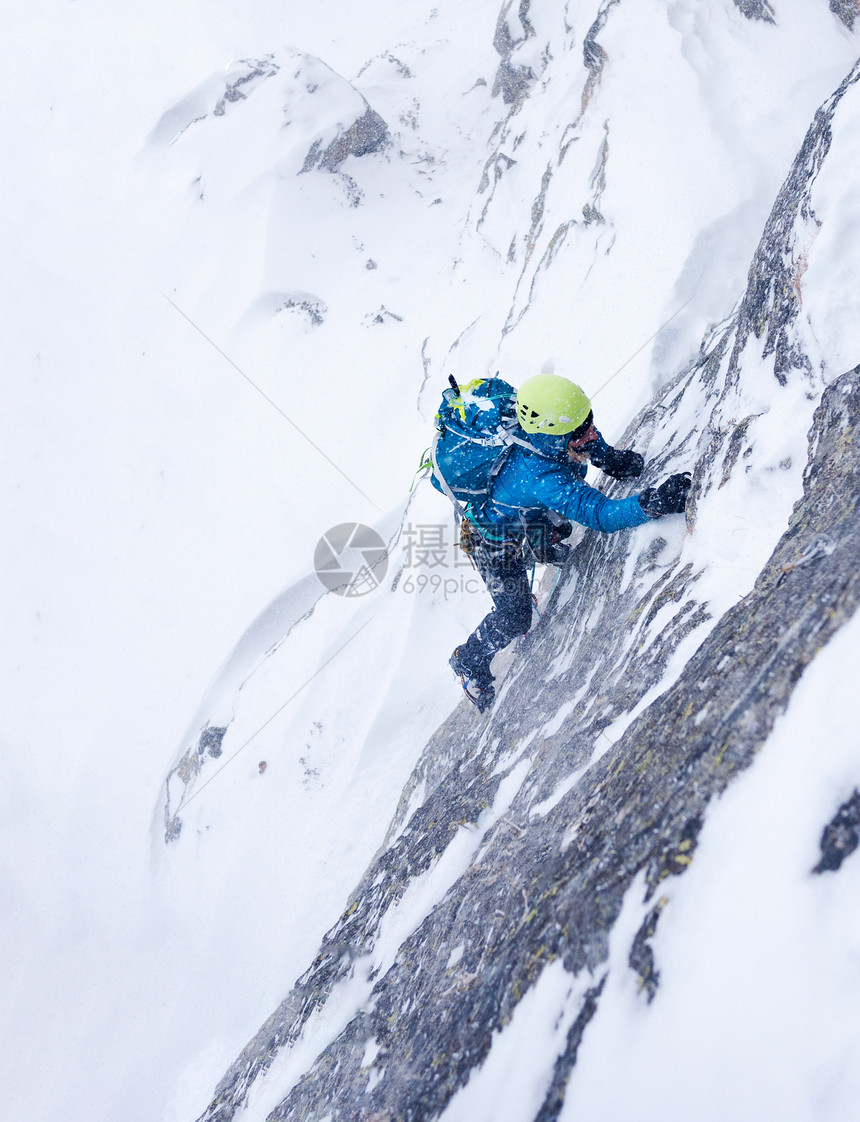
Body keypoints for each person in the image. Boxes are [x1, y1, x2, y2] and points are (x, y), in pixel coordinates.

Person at [446, 372, 690, 711]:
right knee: (516, 618)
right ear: (551, 438)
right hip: (493, 543)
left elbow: (587, 440)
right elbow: (601, 515)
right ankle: (468, 660)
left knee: (557, 533)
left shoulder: (556, 431)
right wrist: (653, 503)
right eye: (579, 431)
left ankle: (540, 547)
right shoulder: (541, 476)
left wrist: (612, 460)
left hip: (523, 518)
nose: (589, 433)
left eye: (588, 422)